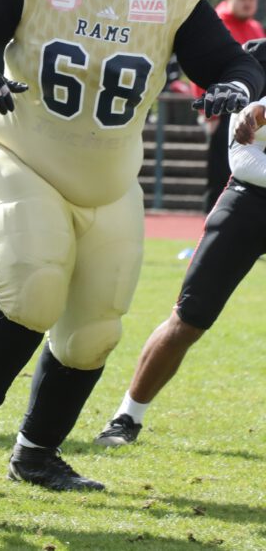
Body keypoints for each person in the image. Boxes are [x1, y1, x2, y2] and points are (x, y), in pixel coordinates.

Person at [0, 0, 265, 494]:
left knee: (96, 328)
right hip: (20, 152)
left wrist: (234, 88)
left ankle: (37, 453)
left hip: (110, 177)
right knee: (33, 285)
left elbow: (232, 62)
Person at [95, 39, 266, 447]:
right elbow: (242, 158)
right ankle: (127, 416)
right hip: (250, 201)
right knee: (189, 318)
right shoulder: (257, 57)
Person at [193, 0, 265, 213]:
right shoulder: (218, 21)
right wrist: (208, 113)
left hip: (253, 111)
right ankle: (208, 234)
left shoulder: (253, 26)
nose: (248, 4)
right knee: (220, 177)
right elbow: (202, 66)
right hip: (224, 111)